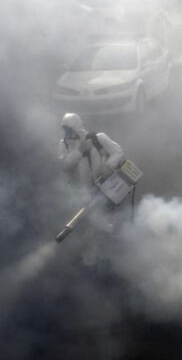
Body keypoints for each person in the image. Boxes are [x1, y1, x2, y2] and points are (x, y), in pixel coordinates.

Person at [58, 113, 125, 266]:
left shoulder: (98, 139)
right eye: (65, 129)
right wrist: (79, 151)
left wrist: (109, 165)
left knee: (103, 220)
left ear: (76, 126)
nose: (67, 133)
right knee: (88, 225)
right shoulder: (64, 145)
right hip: (79, 194)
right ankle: (91, 260)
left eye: (69, 129)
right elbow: (65, 166)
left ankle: (110, 255)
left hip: (103, 188)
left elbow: (118, 151)